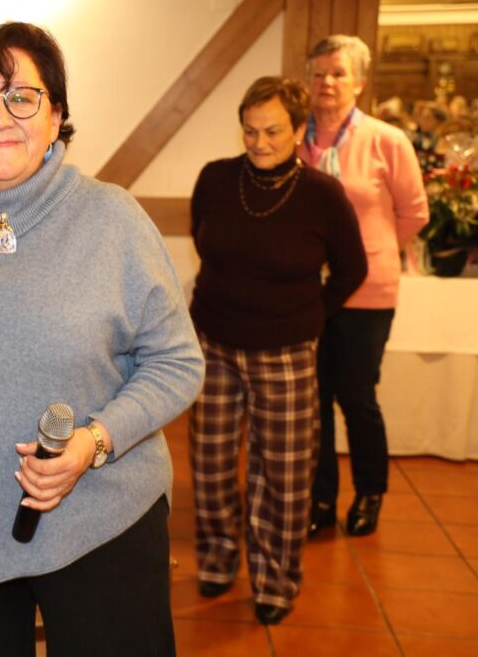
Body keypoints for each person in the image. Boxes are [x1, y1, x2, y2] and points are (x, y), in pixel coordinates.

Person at [0, 22, 204, 656]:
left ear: (56, 113)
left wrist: (95, 441)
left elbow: (177, 362)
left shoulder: (113, 219)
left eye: (22, 97)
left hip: (100, 519)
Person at [188, 76, 367, 625]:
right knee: (211, 464)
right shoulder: (216, 179)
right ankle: (218, 559)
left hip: (286, 353)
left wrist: (307, 315)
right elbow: (203, 241)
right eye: (250, 130)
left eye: (272, 131)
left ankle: (275, 580)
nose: (259, 142)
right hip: (214, 343)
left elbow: (352, 270)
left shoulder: (322, 194)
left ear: (298, 130)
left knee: (282, 476)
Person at [298, 35, 428, 538]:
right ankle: (321, 497)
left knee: (356, 396)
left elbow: (415, 213)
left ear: (360, 83)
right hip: (308, 293)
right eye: (319, 73)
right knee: (315, 401)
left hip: (367, 292)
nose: (327, 82)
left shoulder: (386, 140)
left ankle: (370, 492)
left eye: (338, 73)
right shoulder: (294, 137)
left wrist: (367, 254)